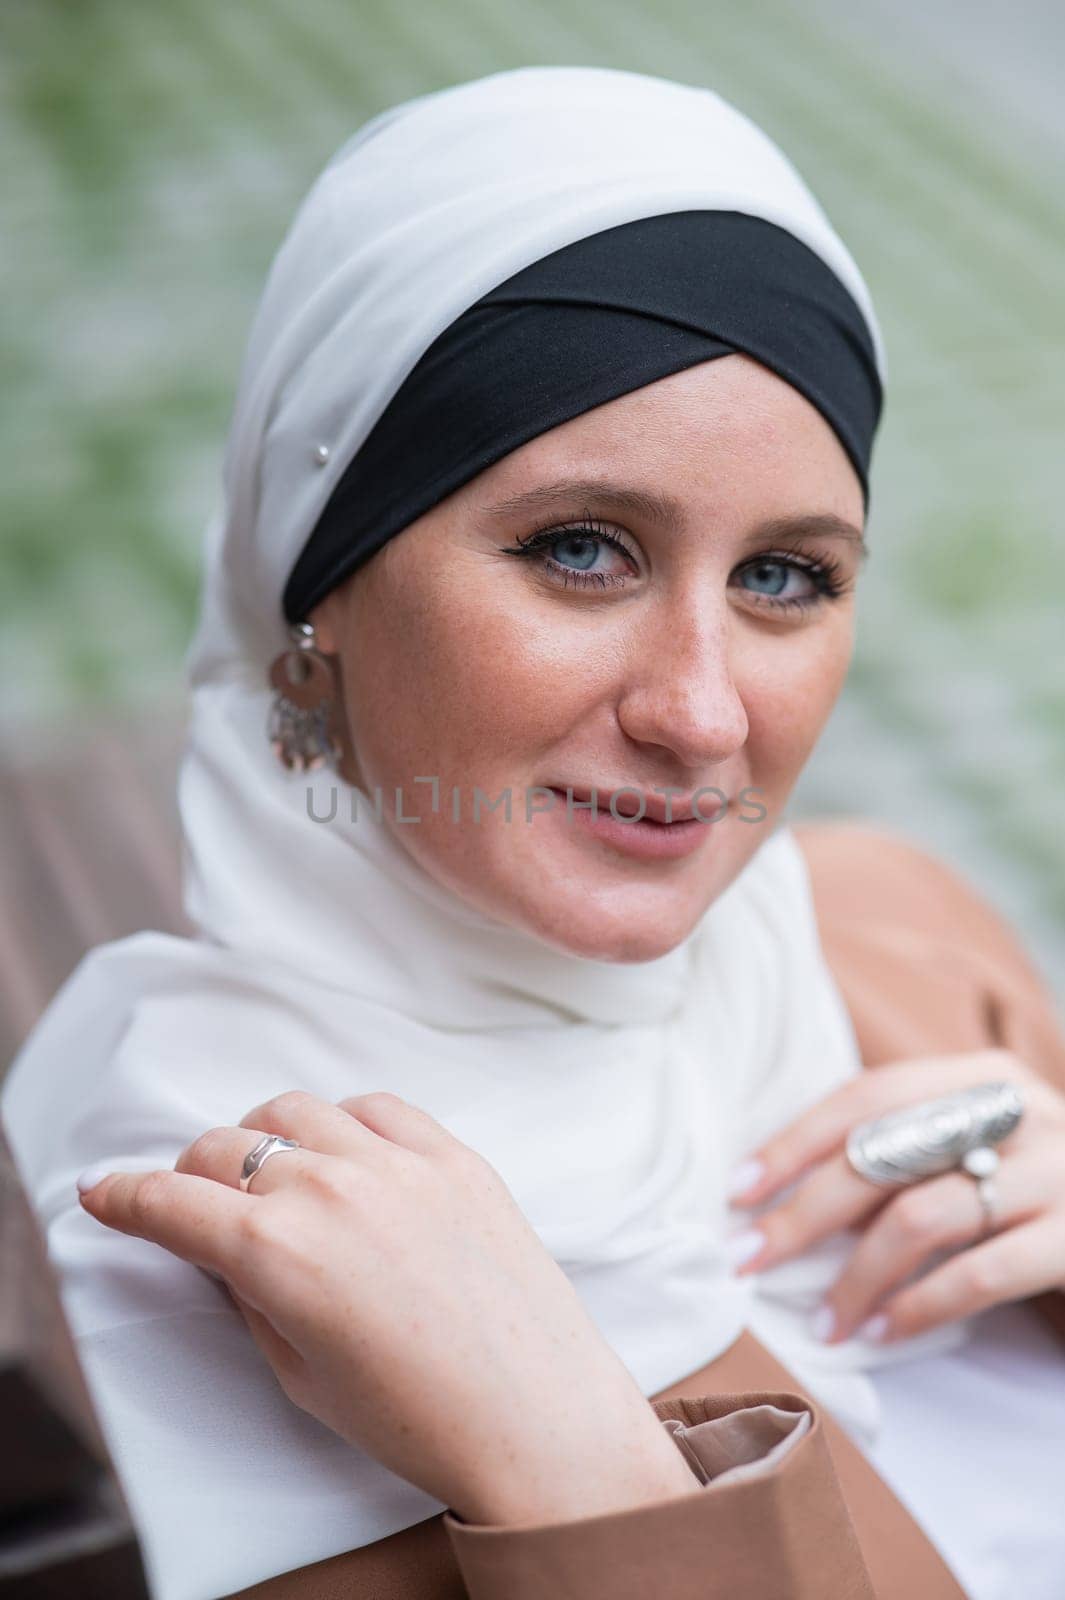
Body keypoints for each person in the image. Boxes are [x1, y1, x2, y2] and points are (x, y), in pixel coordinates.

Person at [4, 65, 1064, 1600]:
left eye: (783, 577)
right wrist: (575, 1483)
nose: (702, 716)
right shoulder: (256, 1226)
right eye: (582, 550)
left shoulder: (883, 932)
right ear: (322, 592)